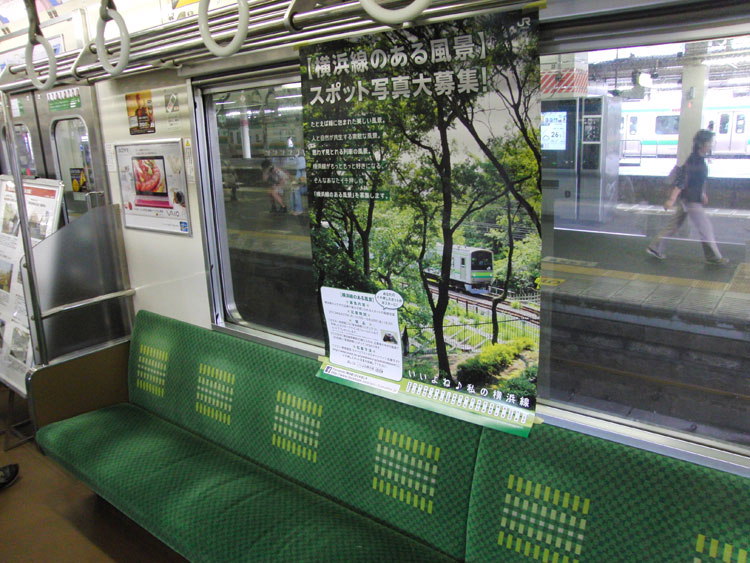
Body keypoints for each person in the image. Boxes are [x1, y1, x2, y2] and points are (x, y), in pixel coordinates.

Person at [647, 129, 728, 265]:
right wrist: (671, 200)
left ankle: (654, 247)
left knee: (674, 225)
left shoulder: (698, 159)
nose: (711, 145)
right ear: (701, 144)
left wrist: (703, 193)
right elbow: (682, 181)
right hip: (691, 201)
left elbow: (697, 181)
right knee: (705, 227)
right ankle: (713, 257)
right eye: (709, 142)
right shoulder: (694, 161)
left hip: (689, 198)